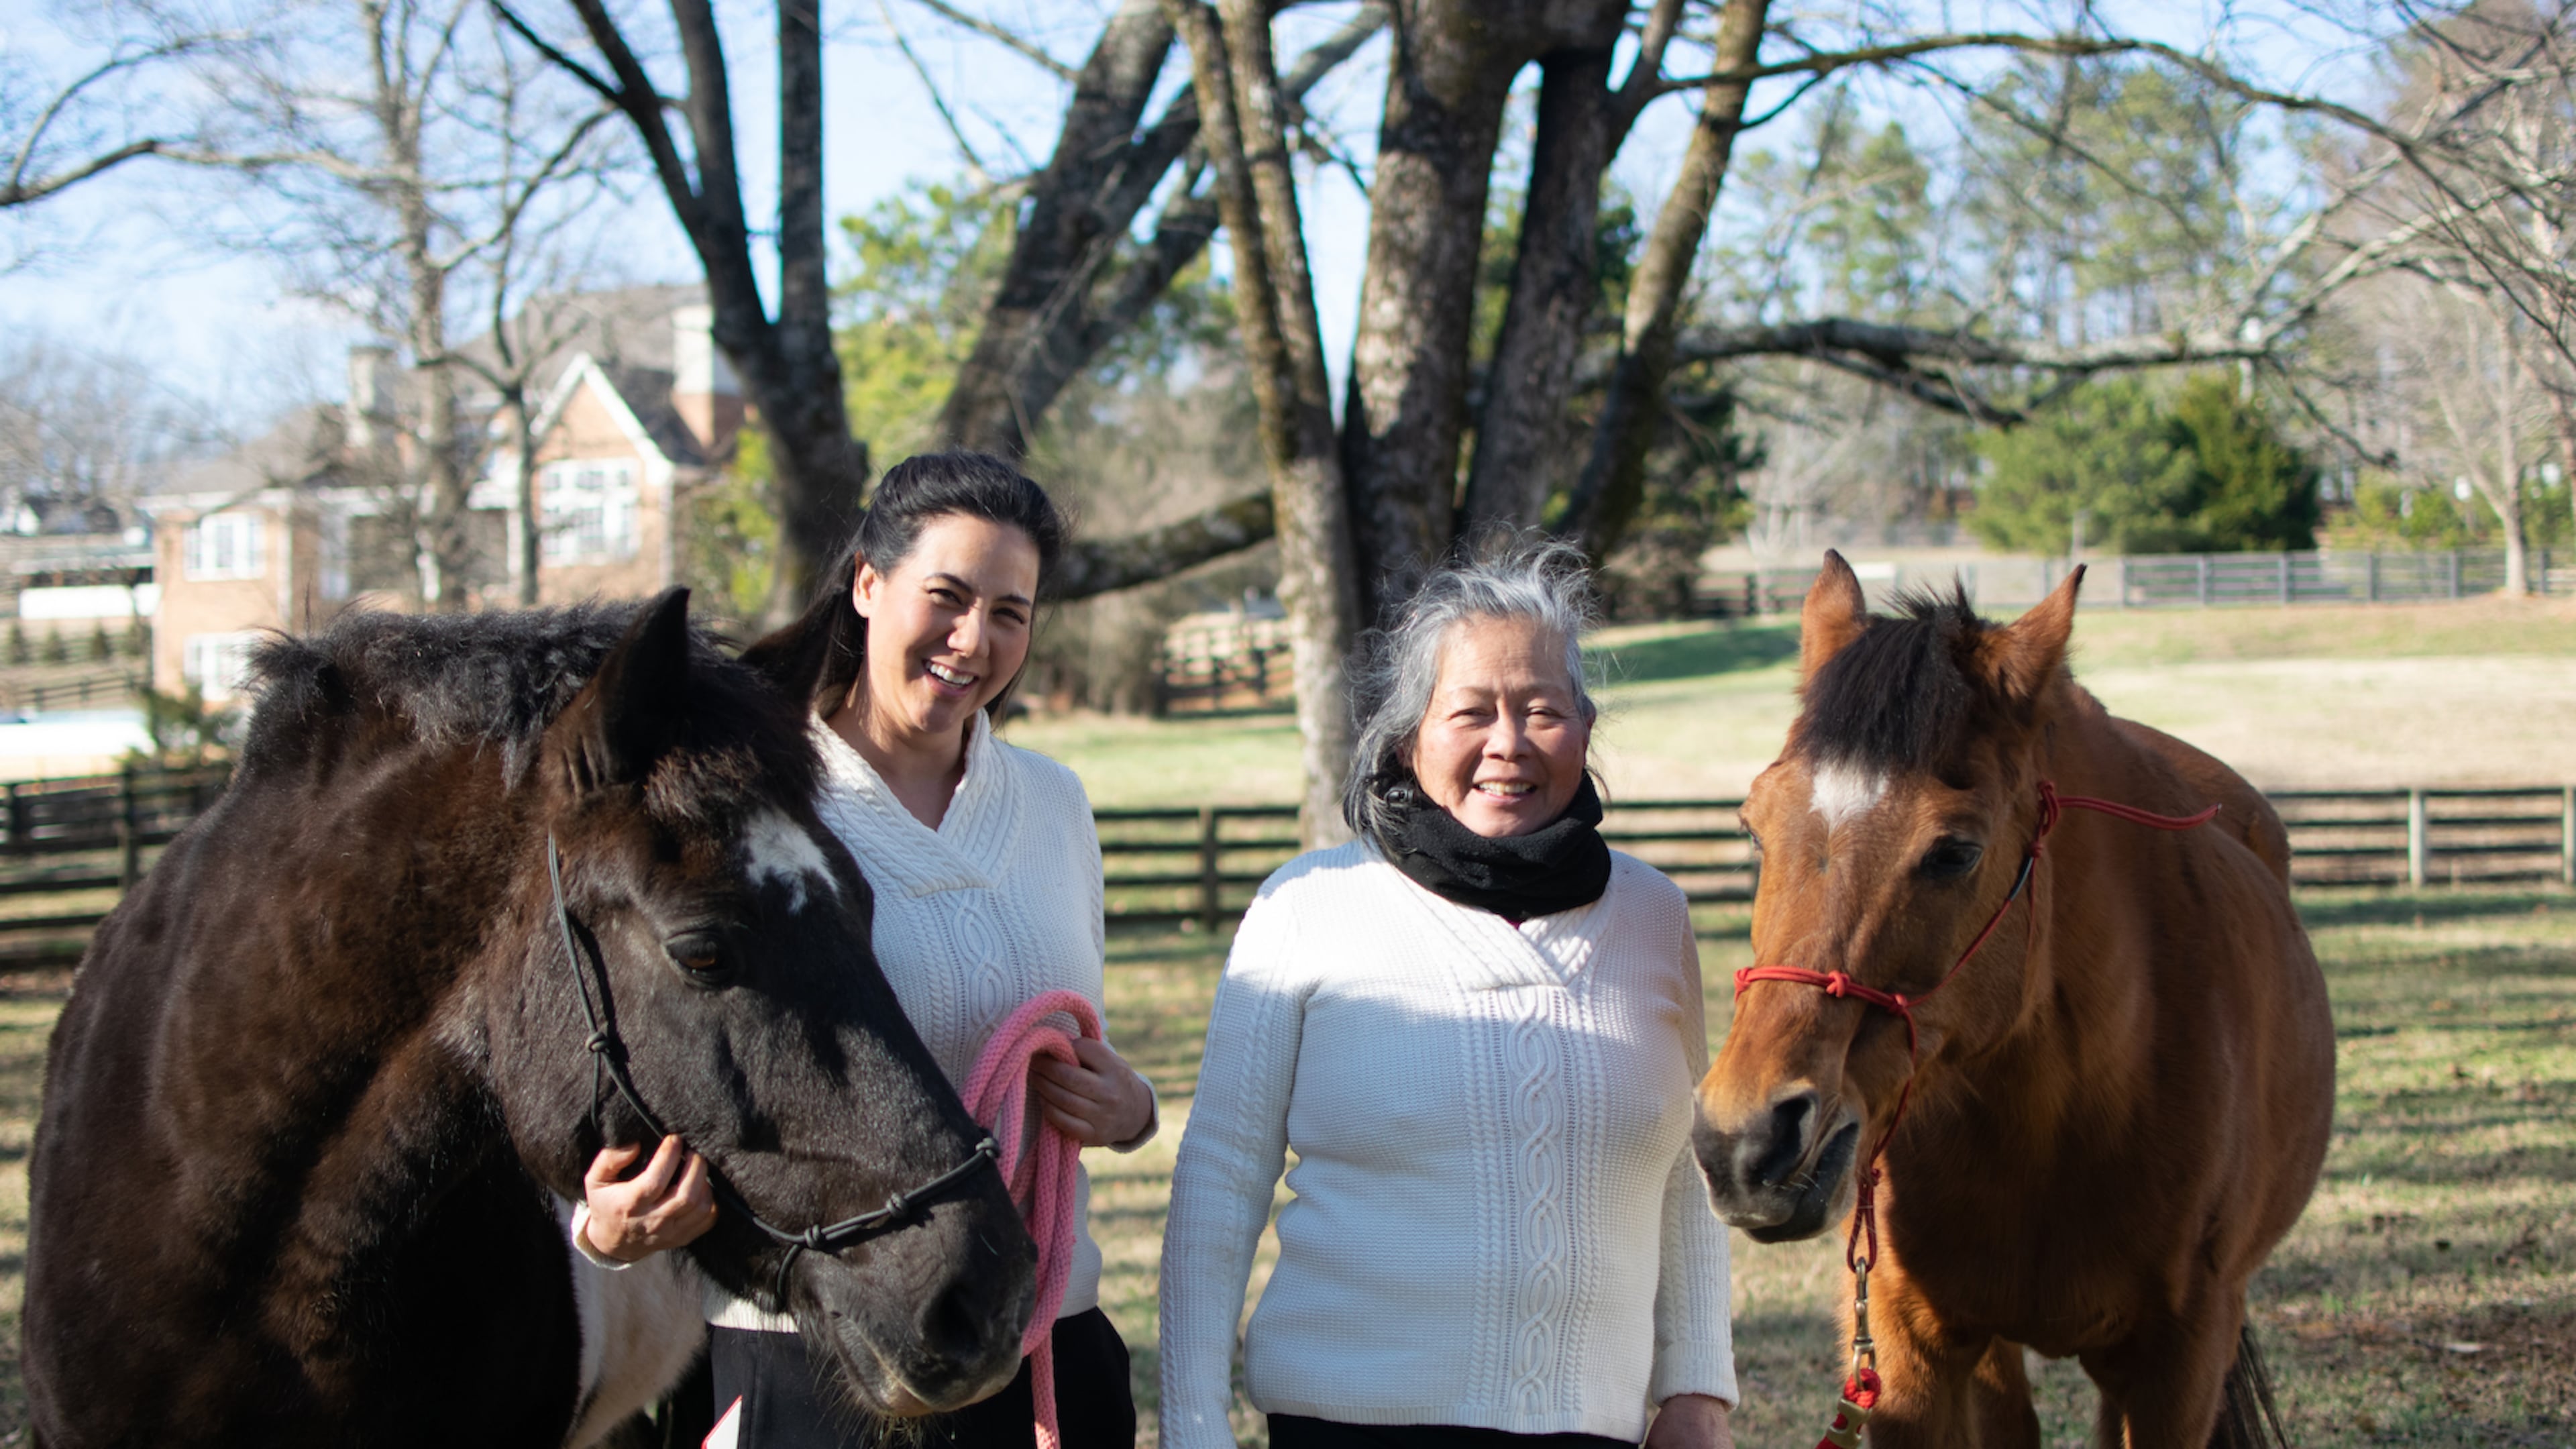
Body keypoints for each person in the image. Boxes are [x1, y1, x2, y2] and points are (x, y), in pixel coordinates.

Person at [573, 451, 1159, 1449]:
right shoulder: (756, 806)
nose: (974, 639)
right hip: (812, 1357)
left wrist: (1131, 1109)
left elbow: (1070, 1033)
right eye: (948, 596)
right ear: (867, 583)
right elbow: (641, 1058)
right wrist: (603, 1230)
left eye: (1011, 612)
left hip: (1038, 1342)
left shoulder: (1055, 804)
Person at [1158, 539, 1736, 1449]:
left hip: (1595, 1430)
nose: (1508, 743)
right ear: (1406, 736)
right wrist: (1195, 1419)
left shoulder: (1655, 918)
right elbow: (1222, 1178)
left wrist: (1698, 1388)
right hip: (1349, 1425)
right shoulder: (1307, 908)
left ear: (1586, 729)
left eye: (1542, 709)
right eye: (1472, 711)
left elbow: (1682, 1173)